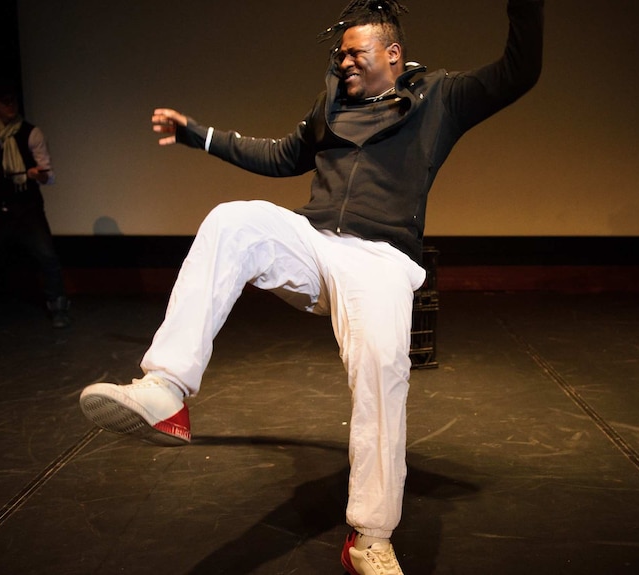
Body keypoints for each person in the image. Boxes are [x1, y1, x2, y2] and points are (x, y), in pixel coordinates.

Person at [79, 1, 543, 572]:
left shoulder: (442, 97)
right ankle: (166, 392)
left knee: (380, 366)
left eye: (357, 51)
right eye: (340, 52)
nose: (345, 61)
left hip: (381, 259)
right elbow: (279, 156)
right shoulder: (331, 107)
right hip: (315, 241)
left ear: (392, 54)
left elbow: (518, 72)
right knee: (232, 219)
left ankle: (371, 537)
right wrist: (200, 137)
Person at [0, 79, 71, 328]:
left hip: (26, 207)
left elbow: (48, 175)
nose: (10, 106)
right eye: (3, 102)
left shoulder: (31, 133)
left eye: (13, 101)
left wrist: (36, 174)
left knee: (47, 256)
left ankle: (58, 306)